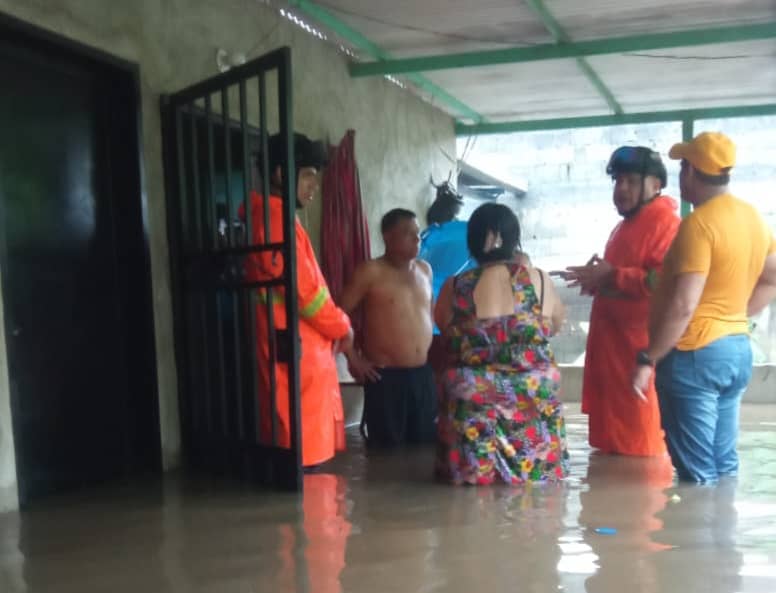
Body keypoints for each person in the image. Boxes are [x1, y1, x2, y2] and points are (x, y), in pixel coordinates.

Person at [632, 131, 776, 484]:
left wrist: (648, 359)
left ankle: (697, 538)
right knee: (723, 464)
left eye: (683, 167)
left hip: (693, 355)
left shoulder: (699, 225)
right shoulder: (753, 218)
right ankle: (724, 536)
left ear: (691, 172)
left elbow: (684, 304)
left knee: (696, 474)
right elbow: (771, 278)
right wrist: (734, 316)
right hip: (736, 351)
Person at [434, 203, 569, 485]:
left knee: (458, 382)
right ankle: (534, 473)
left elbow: (447, 333)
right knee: (537, 493)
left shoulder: (454, 286)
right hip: (533, 396)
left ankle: (471, 476)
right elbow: (553, 327)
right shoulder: (540, 281)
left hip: (473, 398)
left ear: (472, 240)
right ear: (512, 238)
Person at [242, 132, 353, 469]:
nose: (313, 187)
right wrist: (342, 326)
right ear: (279, 173)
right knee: (301, 459)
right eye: (307, 176)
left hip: (298, 348)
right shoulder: (275, 220)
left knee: (301, 452)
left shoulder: (279, 217)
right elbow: (304, 293)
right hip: (294, 349)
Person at [562, 146, 680, 456]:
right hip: (611, 353)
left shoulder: (665, 222)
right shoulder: (626, 224)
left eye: (629, 181)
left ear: (655, 184)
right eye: (617, 181)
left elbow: (664, 282)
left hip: (637, 352)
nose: (620, 189)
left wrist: (613, 276)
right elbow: (622, 277)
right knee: (612, 449)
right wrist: (596, 280)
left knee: (642, 447)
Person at [339, 208, 436, 447]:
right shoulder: (370, 272)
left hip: (422, 376)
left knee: (425, 450)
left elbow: (429, 315)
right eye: (408, 233)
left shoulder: (425, 270)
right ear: (388, 237)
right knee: (386, 454)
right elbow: (337, 315)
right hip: (385, 378)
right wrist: (353, 358)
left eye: (417, 233)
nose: (416, 239)